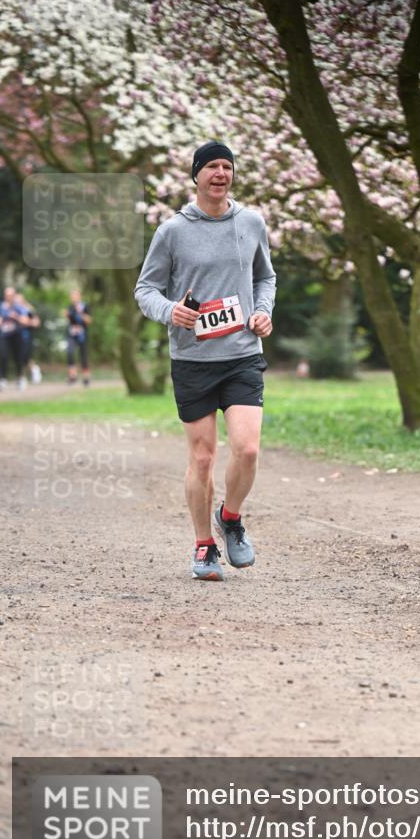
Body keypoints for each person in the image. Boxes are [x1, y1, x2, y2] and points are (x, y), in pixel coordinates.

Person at [134, 141, 276, 581]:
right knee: (201, 459)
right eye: (211, 166)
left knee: (247, 449)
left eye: (226, 166)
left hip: (242, 354)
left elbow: (265, 277)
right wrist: (170, 311)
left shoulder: (251, 222)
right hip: (193, 360)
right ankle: (203, 546)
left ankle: (230, 517)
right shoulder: (172, 231)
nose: (220, 173)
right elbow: (146, 290)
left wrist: (263, 311)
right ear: (196, 175)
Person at [0, 286, 28, 390]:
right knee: (3, 355)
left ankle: (20, 378)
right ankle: (2, 380)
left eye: (10, 295)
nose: (8, 297)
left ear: (14, 296)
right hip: (4, 335)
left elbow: (25, 321)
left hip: (16, 335)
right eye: (7, 295)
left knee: (17, 358)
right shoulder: (1, 306)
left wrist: (16, 317)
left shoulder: (19, 307)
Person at [63, 290, 92, 386]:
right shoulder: (70, 307)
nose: (73, 298)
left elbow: (89, 320)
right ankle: (73, 376)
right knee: (70, 353)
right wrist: (66, 315)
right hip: (72, 334)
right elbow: (68, 318)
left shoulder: (85, 306)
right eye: (72, 296)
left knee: (83, 355)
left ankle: (86, 377)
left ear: (79, 296)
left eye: (75, 296)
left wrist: (80, 313)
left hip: (82, 334)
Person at [16, 291, 42, 384]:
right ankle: (25, 375)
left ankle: (31, 371)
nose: (18, 302)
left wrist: (26, 322)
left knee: (24, 357)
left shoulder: (28, 310)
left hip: (26, 336)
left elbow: (37, 323)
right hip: (15, 337)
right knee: (19, 357)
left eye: (19, 300)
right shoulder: (13, 309)